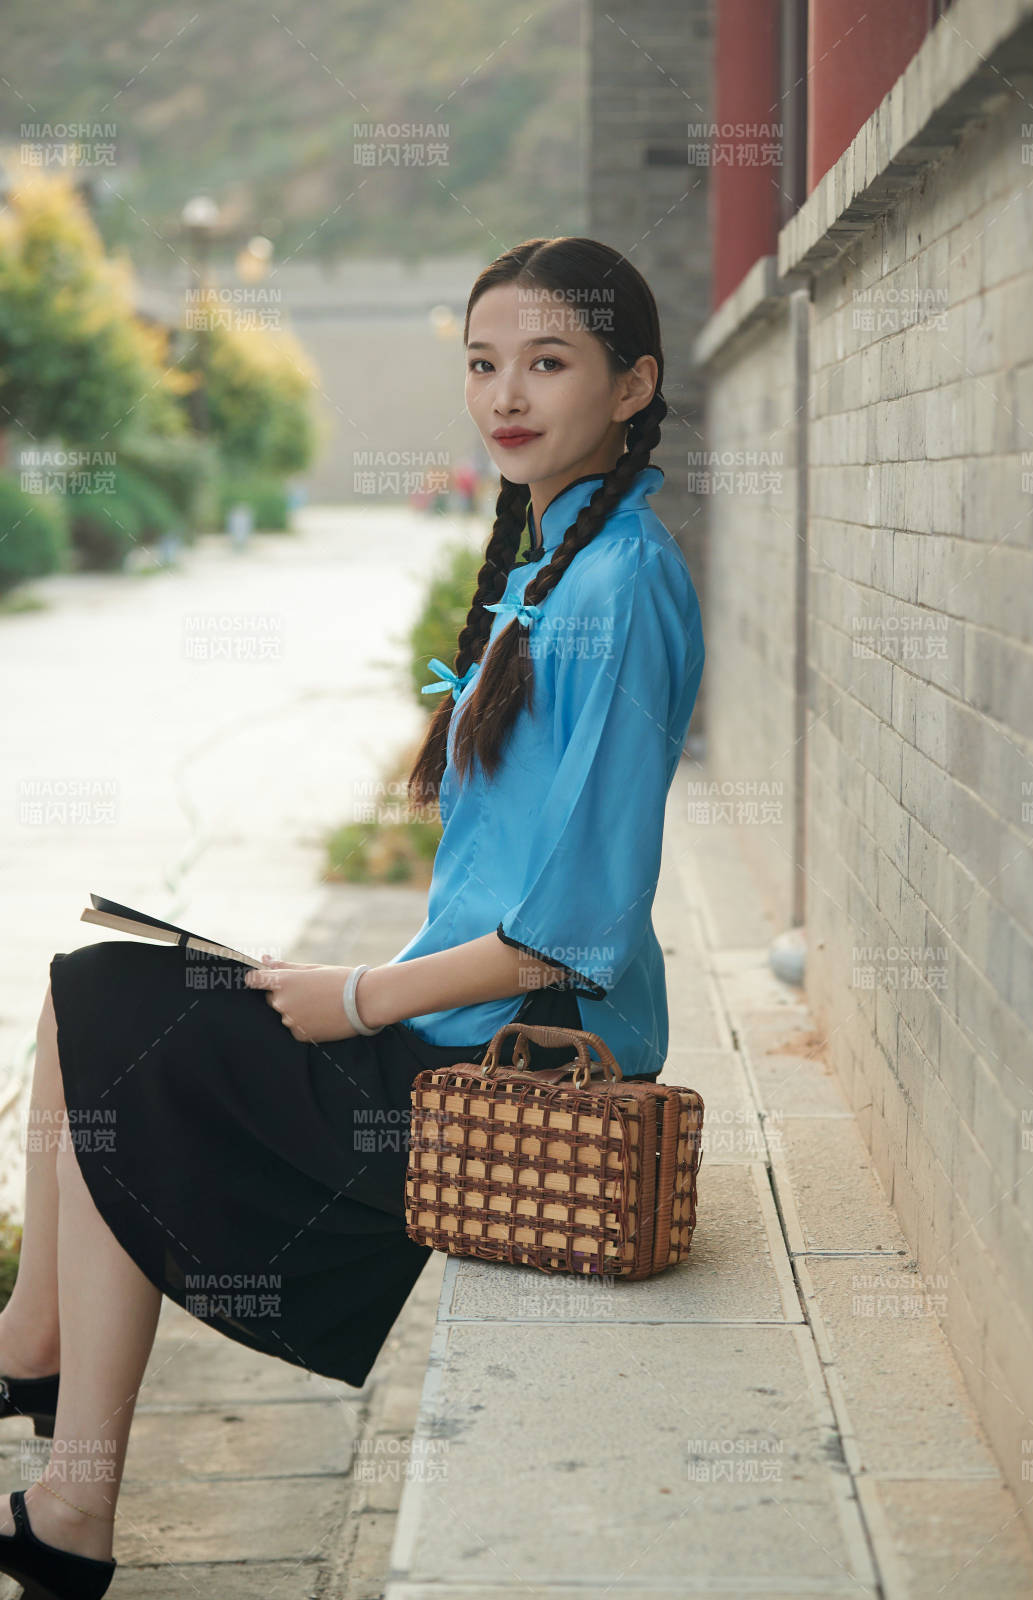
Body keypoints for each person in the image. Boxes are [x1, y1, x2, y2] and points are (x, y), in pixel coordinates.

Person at [0, 235, 705, 1598]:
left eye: (548, 363)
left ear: (632, 386)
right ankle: (42, 1376)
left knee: (106, 1012)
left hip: (505, 1060)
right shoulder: (562, 549)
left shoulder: (619, 586)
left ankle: (61, 1457)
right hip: (453, 1013)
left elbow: (578, 931)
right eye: (484, 364)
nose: (507, 394)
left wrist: (359, 997)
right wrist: (363, 977)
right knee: (89, 991)